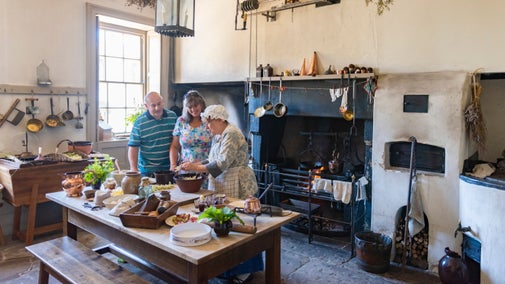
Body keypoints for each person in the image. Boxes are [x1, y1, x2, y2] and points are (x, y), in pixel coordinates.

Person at [181, 104, 262, 283]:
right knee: (224, 224)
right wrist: (195, 163)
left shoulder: (232, 133)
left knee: (240, 225)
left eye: (209, 123)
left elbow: (223, 163)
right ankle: (226, 269)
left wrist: (196, 167)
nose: (207, 127)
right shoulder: (219, 135)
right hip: (223, 181)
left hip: (238, 183)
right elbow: (212, 160)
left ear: (219, 119)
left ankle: (245, 271)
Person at [128, 91, 177, 177]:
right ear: (146, 106)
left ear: (163, 102)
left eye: (159, 104)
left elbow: (176, 142)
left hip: (168, 169)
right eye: (153, 105)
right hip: (147, 170)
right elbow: (133, 148)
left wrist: (174, 165)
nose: (157, 108)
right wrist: (134, 170)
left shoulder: (173, 117)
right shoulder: (139, 123)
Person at [169, 90, 211, 171]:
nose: (193, 109)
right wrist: (173, 165)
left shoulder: (209, 120)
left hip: (206, 168)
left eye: (195, 105)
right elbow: (174, 146)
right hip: (186, 168)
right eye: (190, 107)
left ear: (201, 104)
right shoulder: (181, 121)